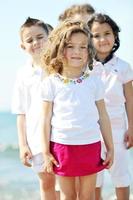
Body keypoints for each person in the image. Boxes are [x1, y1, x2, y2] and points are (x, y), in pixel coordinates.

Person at [40, 20, 114, 200]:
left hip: (90, 144)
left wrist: (110, 147)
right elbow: (45, 119)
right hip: (62, 146)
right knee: (68, 195)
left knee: (87, 195)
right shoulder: (51, 83)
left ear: (88, 52)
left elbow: (103, 117)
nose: (77, 51)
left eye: (82, 47)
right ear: (59, 49)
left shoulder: (94, 82)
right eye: (71, 46)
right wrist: (45, 152)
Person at [11, 17, 59, 200]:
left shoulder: (59, 67)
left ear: (50, 37)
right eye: (29, 40)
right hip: (36, 138)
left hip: (61, 135)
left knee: (67, 183)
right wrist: (23, 145)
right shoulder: (23, 74)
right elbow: (21, 112)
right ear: (23, 46)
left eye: (40, 37)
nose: (36, 43)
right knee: (46, 183)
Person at [88, 13, 133, 200]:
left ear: (115, 36)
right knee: (94, 180)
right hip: (92, 132)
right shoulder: (86, 68)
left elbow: (130, 100)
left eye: (107, 33)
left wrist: (132, 127)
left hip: (117, 131)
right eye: (96, 35)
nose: (102, 39)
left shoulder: (123, 67)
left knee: (121, 177)